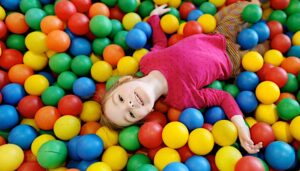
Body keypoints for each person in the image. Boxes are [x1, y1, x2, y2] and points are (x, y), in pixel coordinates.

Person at [99, 0, 267, 154]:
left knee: (241, 10)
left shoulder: (146, 62)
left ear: (124, 80)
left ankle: (258, 4)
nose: (130, 104)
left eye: (120, 99)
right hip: (232, 59)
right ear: (147, 113)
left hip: (217, 35)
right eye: (131, 115)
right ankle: (265, 26)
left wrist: (154, 19)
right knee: (263, 47)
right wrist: (241, 127)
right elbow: (223, 97)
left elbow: (160, 44)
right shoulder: (182, 99)